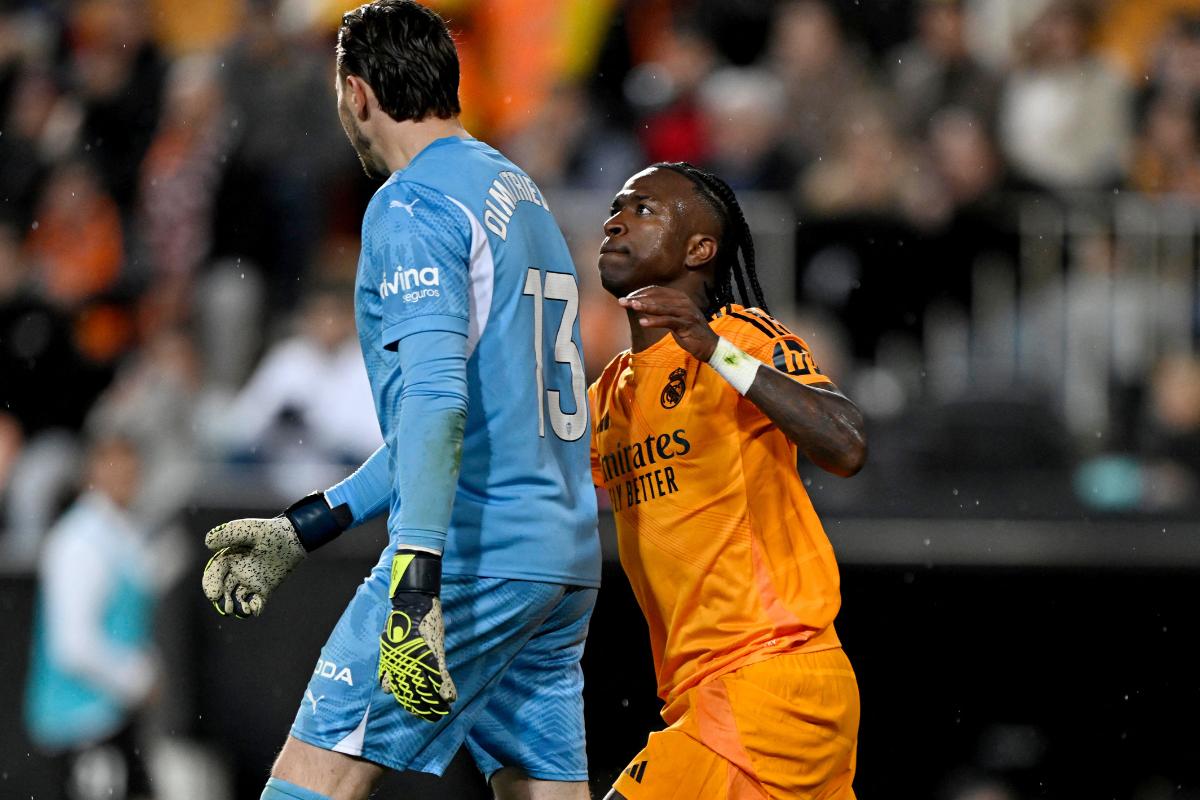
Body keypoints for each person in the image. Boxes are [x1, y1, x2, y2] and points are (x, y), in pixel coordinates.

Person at [199, 3, 600, 799]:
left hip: (470, 557)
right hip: (558, 558)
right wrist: (312, 522)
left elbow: (437, 404)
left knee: (308, 783)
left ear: (356, 94)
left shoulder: (412, 205)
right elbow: (461, 420)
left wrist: (415, 580)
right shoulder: (516, 189)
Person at [589, 162, 868, 799]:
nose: (615, 220)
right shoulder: (610, 394)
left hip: (768, 675)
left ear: (700, 249)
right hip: (710, 695)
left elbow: (847, 444)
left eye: (643, 209)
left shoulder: (740, 337)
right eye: (615, 207)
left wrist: (714, 350)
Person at [24, 436, 163, 800]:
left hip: (111, 718)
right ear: (93, 471)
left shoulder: (119, 533)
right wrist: (136, 677)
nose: (126, 478)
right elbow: (72, 645)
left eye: (132, 469)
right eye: (115, 467)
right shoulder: (78, 542)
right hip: (81, 723)